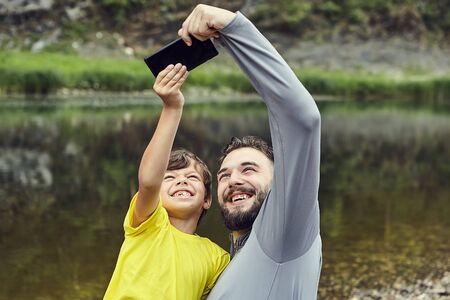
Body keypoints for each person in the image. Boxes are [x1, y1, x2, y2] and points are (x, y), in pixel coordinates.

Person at [178, 5, 322, 299]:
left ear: (280, 184)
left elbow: (302, 120)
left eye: (249, 169)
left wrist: (232, 27)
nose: (233, 180)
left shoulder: (282, 236)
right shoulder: (238, 257)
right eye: (225, 175)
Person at [104, 63, 230, 300]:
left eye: (192, 177)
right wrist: (172, 107)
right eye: (170, 178)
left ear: (207, 199)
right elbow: (149, 182)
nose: (181, 181)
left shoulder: (217, 257)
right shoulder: (148, 225)